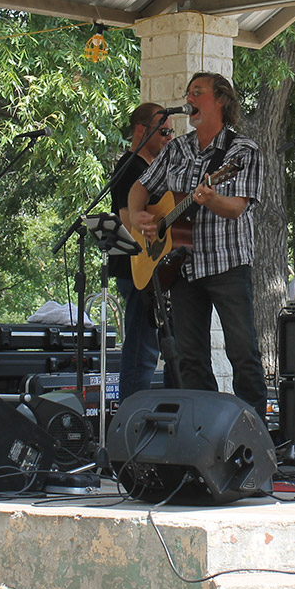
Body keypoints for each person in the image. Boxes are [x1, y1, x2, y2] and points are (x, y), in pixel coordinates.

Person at [127, 73, 267, 415]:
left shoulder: (243, 150)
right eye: (188, 93)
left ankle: (252, 428)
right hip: (182, 267)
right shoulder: (177, 148)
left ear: (221, 100)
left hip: (227, 263)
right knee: (190, 358)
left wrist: (211, 199)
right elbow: (140, 187)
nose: (189, 99)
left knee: (242, 352)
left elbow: (236, 208)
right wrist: (138, 216)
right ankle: (203, 427)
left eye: (197, 92)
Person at [110, 102, 175, 400]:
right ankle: (131, 415)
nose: (169, 138)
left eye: (171, 133)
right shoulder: (130, 167)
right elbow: (128, 220)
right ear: (141, 130)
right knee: (141, 351)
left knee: (170, 347)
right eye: (163, 132)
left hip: (155, 270)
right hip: (137, 269)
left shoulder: (152, 170)